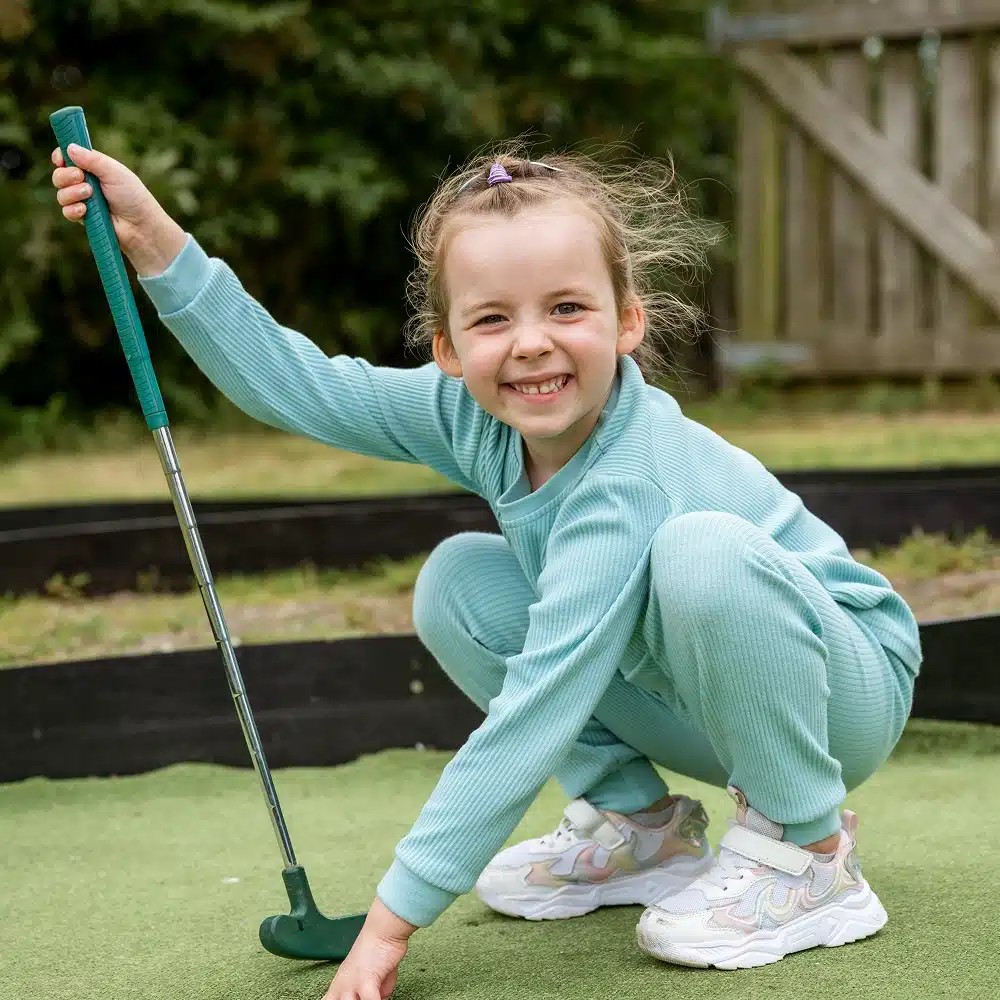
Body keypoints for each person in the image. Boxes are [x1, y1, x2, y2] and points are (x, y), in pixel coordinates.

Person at [52, 140, 921, 997]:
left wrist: (391, 922)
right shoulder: (477, 418)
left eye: (567, 309)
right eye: (493, 319)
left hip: (842, 695)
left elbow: (536, 708)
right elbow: (302, 386)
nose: (531, 344)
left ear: (627, 321)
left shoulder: (629, 479)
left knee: (702, 552)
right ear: (448, 347)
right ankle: (641, 827)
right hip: (707, 702)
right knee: (460, 582)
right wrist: (157, 243)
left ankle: (808, 854)